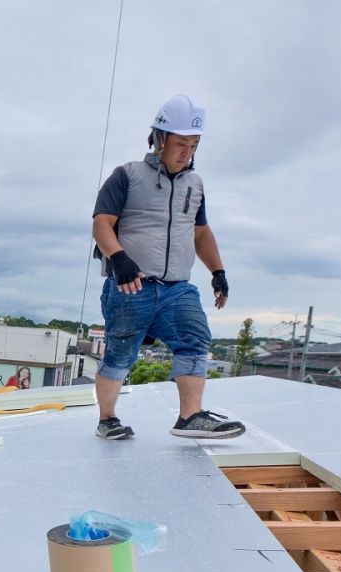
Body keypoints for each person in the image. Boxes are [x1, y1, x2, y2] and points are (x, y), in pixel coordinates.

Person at [90, 94, 245, 440]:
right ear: (160, 138)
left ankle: (190, 417)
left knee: (194, 337)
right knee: (121, 352)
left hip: (176, 287)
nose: (186, 152)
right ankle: (108, 419)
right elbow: (102, 223)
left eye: (193, 145)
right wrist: (119, 258)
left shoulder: (196, 184)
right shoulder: (126, 176)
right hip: (131, 284)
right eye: (180, 144)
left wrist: (218, 272)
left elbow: (200, 232)